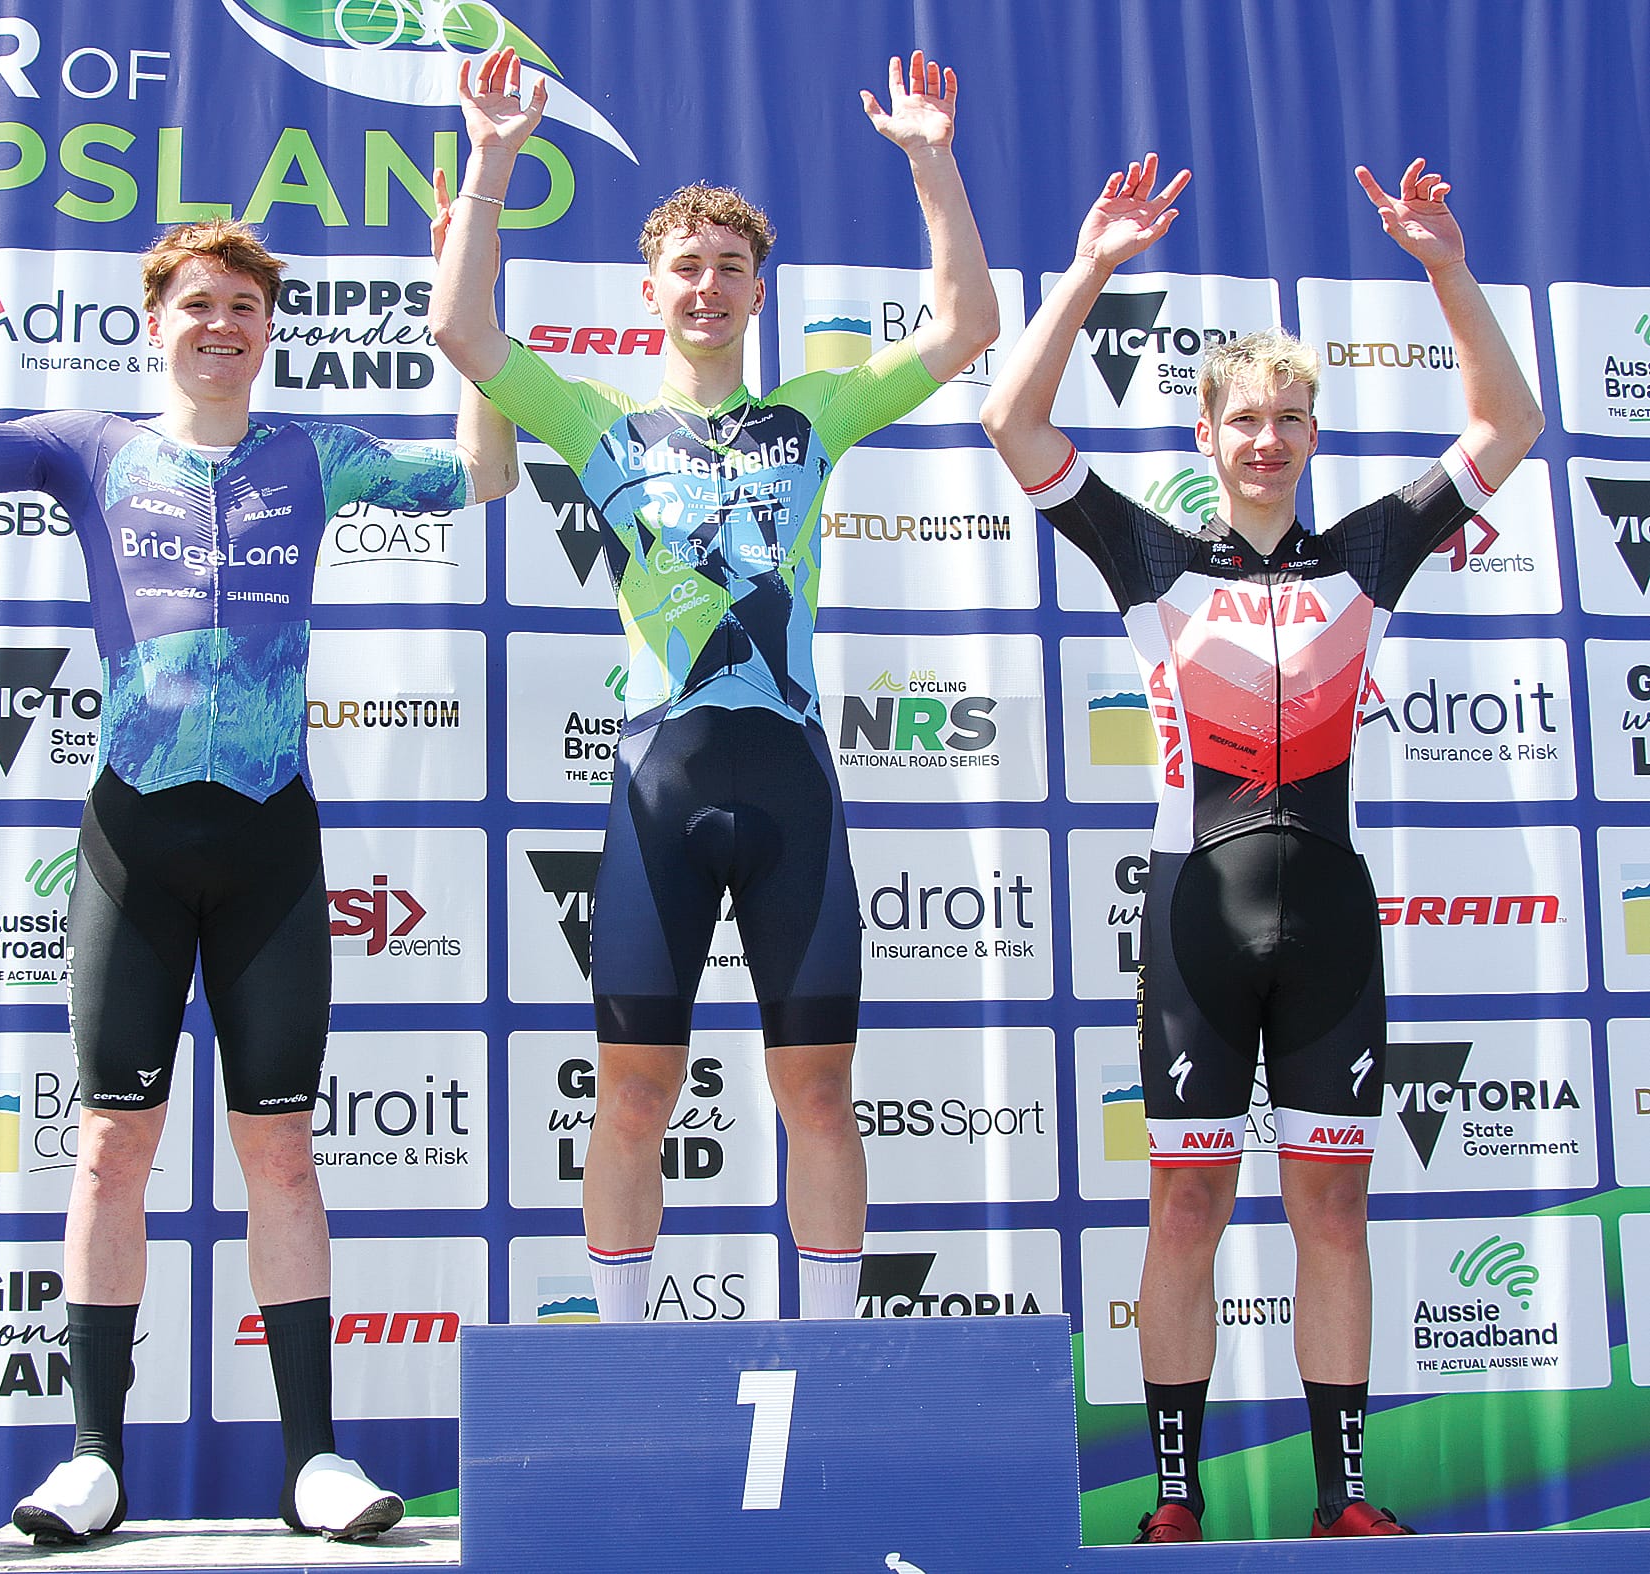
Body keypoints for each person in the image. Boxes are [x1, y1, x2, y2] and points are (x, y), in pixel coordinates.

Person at [0, 147, 516, 1544]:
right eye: (199, 304)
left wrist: (469, 292)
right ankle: (91, 1455)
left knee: (282, 1155)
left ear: (269, 329)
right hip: (134, 838)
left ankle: (315, 1461)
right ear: (154, 321)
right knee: (110, 1147)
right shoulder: (90, 445)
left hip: (269, 837)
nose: (223, 326)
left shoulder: (312, 455)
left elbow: (484, 469)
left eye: (245, 309)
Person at [981, 155, 1542, 1540]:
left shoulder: (1369, 552)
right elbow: (1011, 418)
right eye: (1246, 418)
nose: (1268, 439)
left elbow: (1512, 419)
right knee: (1183, 1210)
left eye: (1290, 419)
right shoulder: (1152, 560)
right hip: (1193, 919)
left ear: (1310, 433)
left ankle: (1341, 1494)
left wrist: (1445, 269)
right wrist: (1090, 270)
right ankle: (1172, 1499)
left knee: (1332, 1214)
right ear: (1207, 428)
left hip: (1332, 919)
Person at [430, 48, 998, 1323]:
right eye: (685, 267)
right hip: (659, 783)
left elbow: (965, 327)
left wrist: (929, 162)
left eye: (728, 267)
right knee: (632, 1091)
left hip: (788, 776)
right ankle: (625, 1357)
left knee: (817, 1091)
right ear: (650, 290)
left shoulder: (809, 416)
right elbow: (461, 332)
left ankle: (836, 1361)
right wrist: (491, 159)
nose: (706, 285)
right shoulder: (597, 423)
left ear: (758, 291)